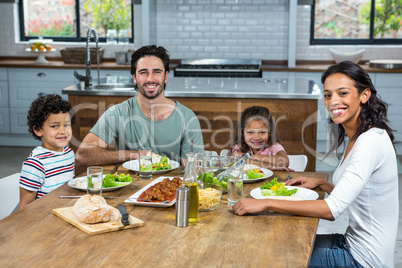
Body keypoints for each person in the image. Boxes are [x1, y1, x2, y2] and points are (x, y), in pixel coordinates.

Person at [233, 61, 399, 268]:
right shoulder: (362, 137)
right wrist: (323, 185)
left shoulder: (369, 142)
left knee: (265, 254)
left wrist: (265, 203)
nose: (333, 102)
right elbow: (361, 194)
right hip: (352, 244)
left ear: (364, 95)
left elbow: (331, 210)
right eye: (328, 95)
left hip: (362, 260)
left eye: (343, 93)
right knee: (271, 238)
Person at [75, 45, 204, 168]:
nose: (150, 79)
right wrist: (135, 155)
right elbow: (82, 156)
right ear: (135, 78)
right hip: (130, 188)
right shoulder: (118, 113)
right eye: (143, 72)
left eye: (156, 72)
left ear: (165, 77)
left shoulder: (187, 118)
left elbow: (193, 170)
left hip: (169, 188)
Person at [19, 94, 75, 210]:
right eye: (55, 126)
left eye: (66, 125)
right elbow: (24, 209)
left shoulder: (69, 153)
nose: (63, 131)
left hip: (65, 212)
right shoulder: (35, 163)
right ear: (38, 130)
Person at [231, 106, 290, 170]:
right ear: (242, 133)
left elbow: (284, 162)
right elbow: (235, 164)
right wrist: (273, 166)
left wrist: (250, 157)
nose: (256, 138)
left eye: (262, 132)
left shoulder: (274, 146)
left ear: (270, 133)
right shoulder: (238, 147)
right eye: (250, 132)